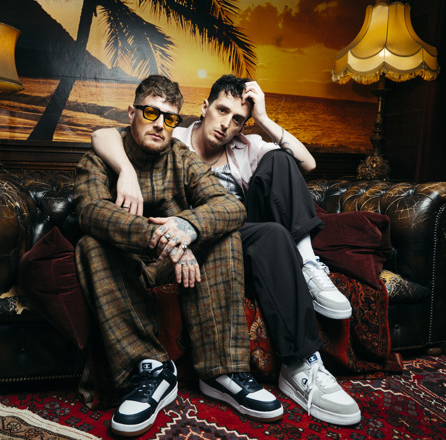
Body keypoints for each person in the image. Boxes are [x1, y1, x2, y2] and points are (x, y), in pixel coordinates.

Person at [90, 74, 361, 426]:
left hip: (237, 229)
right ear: (204, 107)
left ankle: (306, 285)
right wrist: (126, 171)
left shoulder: (245, 146)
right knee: (269, 233)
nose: (226, 124)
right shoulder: (171, 135)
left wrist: (263, 120)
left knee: (280, 169)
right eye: (221, 111)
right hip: (195, 239)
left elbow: (306, 164)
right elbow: (106, 134)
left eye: (237, 120)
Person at [74, 75, 283, 437]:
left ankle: (223, 373)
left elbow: (230, 205)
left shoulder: (181, 157)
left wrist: (186, 228)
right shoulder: (99, 159)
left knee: (224, 233)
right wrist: (160, 238)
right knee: (89, 244)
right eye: (151, 113)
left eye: (169, 118)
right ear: (132, 112)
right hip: (125, 265)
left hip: (171, 266)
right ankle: (152, 370)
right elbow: (90, 211)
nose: (159, 124)